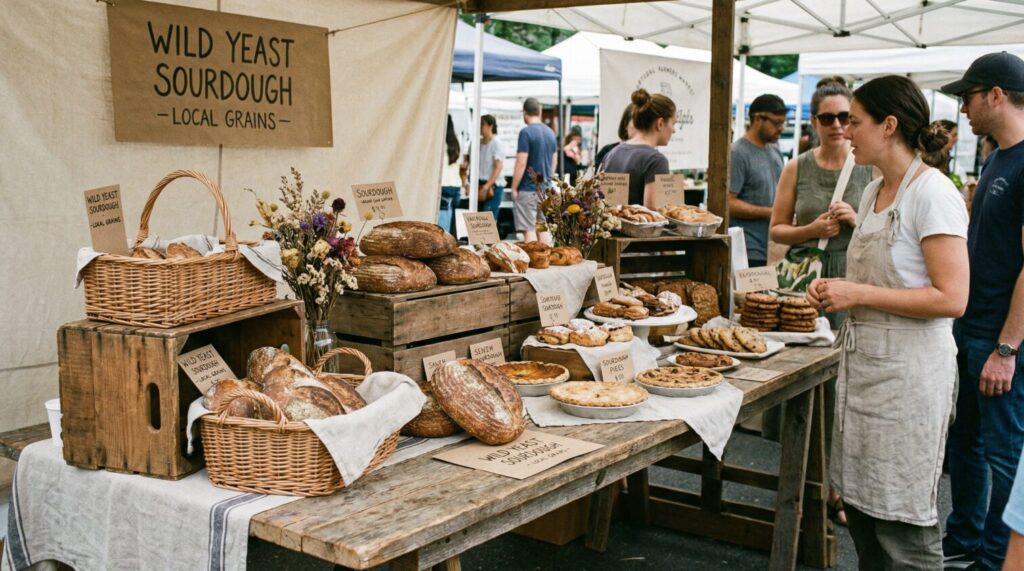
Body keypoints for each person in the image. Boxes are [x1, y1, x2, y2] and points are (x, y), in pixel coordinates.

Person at [807, 75, 969, 570]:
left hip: (911, 377)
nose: (846, 132)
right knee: (863, 514)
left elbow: (953, 296)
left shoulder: (932, 193)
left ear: (890, 125)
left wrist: (857, 293)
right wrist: (834, 293)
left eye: (855, 122)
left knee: (903, 524)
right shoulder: (877, 188)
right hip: (867, 371)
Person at [766, 77, 875, 525]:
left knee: (847, 385)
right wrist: (812, 230)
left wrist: (856, 220)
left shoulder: (869, 166)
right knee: (805, 380)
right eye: (828, 117)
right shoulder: (797, 167)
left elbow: (888, 227)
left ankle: (840, 485)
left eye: (846, 117)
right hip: (805, 283)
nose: (837, 125)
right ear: (813, 121)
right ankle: (806, 477)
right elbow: (777, 228)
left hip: (853, 281)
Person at [939, 51, 1024, 571]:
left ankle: (998, 558)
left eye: (966, 96)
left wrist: (1007, 348)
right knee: (964, 443)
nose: (962, 108)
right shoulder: (996, 157)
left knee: (1004, 454)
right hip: (972, 329)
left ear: (995, 94)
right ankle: (966, 537)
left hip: (999, 339)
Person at [731, 94, 788, 267]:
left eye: (783, 122)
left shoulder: (775, 152)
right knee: (750, 295)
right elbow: (728, 202)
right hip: (748, 249)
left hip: (773, 247)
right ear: (757, 119)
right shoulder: (737, 153)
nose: (782, 128)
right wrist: (769, 212)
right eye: (777, 123)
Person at [600, 89, 675, 208]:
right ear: (660, 123)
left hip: (612, 225)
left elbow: (607, 204)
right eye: (673, 123)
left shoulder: (612, 153)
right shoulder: (656, 160)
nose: (674, 130)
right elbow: (654, 215)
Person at [510, 97, 557, 243]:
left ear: (525, 113)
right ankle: (547, 260)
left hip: (528, 188)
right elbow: (553, 161)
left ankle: (534, 261)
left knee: (529, 229)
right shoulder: (550, 133)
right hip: (545, 190)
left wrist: (514, 187)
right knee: (542, 228)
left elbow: (521, 162)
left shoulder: (526, 132)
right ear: (540, 111)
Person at [474, 114, 506, 223]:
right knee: (477, 220)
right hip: (479, 184)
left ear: (490, 126)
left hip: (493, 185)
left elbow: (498, 167)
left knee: (488, 220)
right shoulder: (476, 143)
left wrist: (487, 186)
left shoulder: (497, 143)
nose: (480, 127)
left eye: (482, 124)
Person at [437, 115, 462, 234]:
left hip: (443, 185)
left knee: (442, 230)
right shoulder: (456, 144)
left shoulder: (439, 144)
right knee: (450, 224)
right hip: (456, 186)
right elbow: (462, 165)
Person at [594, 103, 635, 169]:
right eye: (637, 123)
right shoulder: (607, 151)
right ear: (625, 124)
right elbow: (597, 176)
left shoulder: (650, 155)